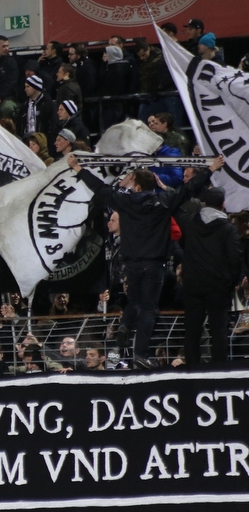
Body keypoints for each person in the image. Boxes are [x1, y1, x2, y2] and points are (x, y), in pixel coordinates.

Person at [68, 153, 223, 368]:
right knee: (149, 309)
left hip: (131, 263)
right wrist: (211, 168)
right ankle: (140, 353)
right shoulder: (164, 200)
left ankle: (124, 325)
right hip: (154, 264)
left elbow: (100, 189)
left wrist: (78, 169)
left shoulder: (124, 201)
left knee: (135, 303)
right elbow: (190, 188)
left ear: (138, 187)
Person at [173, 187, 242, 367]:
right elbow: (235, 257)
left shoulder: (190, 222)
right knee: (218, 329)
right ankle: (218, 369)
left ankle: (192, 369)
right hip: (218, 287)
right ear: (223, 204)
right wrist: (232, 281)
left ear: (203, 203)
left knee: (192, 330)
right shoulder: (228, 228)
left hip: (193, 285)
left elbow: (175, 208)